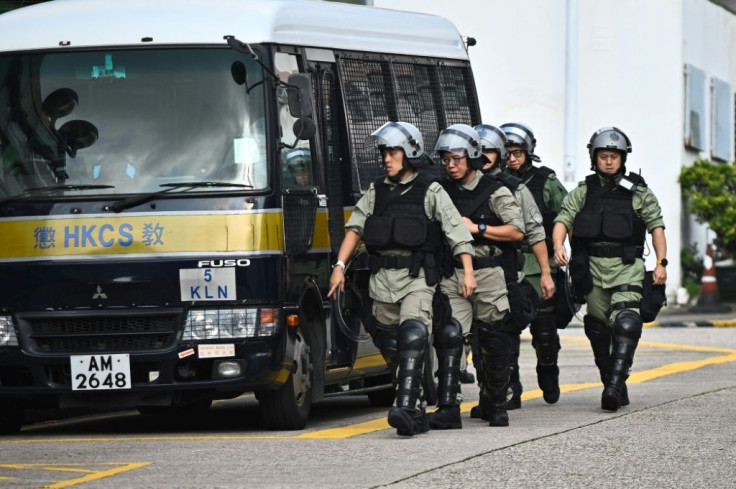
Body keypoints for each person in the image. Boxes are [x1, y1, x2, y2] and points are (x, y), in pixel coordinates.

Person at [327, 121, 476, 436]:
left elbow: (457, 233)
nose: (386, 158)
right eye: (384, 152)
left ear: (409, 153)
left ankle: (405, 407)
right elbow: (355, 229)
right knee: (394, 347)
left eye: (392, 151)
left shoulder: (431, 191)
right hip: (382, 282)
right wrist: (339, 266)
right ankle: (417, 410)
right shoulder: (375, 192)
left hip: (418, 279)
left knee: (413, 332)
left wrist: (468, 273)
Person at [552, 126, 667, 411]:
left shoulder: (638, 192)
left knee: (627, 322)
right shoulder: (583, 191)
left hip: (627, 266)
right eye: (603, 155)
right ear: (594, 157)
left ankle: (614, 387)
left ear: (623, 158)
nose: (609, 161)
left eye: (614, 156)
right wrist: (558, 246)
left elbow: (656, 226)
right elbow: (563, 219)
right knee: (597, 327)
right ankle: (611, 380)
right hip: (591, 268)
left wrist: (661, 263)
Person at [429, 124, 525, 428]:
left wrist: (479, 229)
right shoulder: (440, 190)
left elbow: (517, 230)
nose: (451, 165)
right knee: (449, 335)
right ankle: (448, 406)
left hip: (490, 272)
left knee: (494, 339)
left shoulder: (495, 190)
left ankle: (496, 402)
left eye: (456, 158)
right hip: (453, 273)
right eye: (446, 159)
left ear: (472, 157)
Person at [466, 123, 554, 419]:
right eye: (478, 150)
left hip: (504, 272)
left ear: (500, 154)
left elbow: (534, 232)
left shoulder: (515, 188)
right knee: (476, 341)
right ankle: (488, 393)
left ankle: (506, 390)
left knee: (502, 334)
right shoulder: (456, 186)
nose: (483, 156)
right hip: (464, 273)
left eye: (489, 150)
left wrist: (545, 272)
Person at [500, 122, 567, 409]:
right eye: (507, 153)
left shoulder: (546, 180)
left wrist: (561, 247)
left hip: (540, 265)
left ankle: (548, 370)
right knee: (506, 331)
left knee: (545, 333)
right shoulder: (492, 182)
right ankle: (510, 387)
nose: (512, 159)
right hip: (507, 265)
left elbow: (566, 215)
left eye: (517, 153)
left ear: (528, 153)